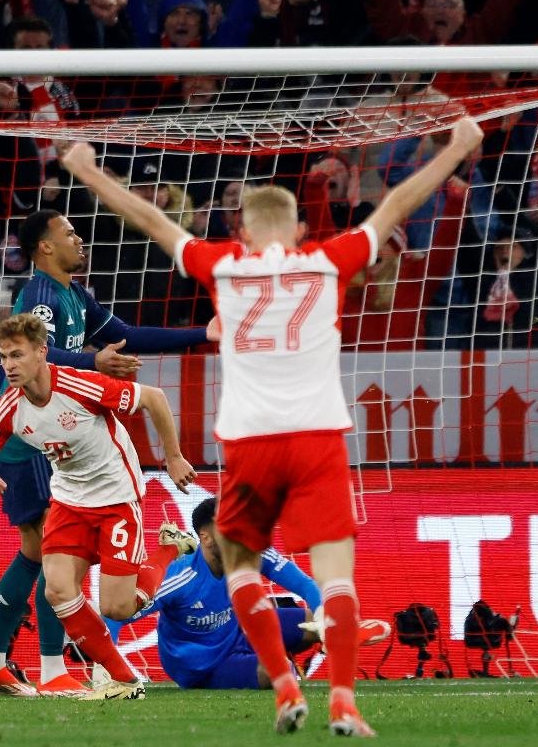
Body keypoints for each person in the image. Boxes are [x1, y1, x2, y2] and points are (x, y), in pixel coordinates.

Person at [60, 116, 484, 736]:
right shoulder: (327, 259)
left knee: (240, 570)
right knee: (335, 578)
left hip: (251, 441)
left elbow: (151, 220)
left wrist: (87, 170)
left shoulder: (224, 265)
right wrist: (460, 147)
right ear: (301, 229)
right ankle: (343, 703)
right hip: (317, 439)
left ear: (242, 230)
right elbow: (397, 203)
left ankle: (285, 686)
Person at [0, 208, 217, 698]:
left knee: (36, 553)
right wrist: (93, 361)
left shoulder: (75, 294)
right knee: (46, 556)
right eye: (69, 232)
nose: (79, 239)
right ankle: (49, 668)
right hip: (27, 439)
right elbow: (43, 357)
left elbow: (129, 336)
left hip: (55, 440)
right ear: (44, 246)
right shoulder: (40, 295)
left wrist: (203, 335)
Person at [105, 497, 390, 690]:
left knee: (309, 620)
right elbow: (116, 616)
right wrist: (110, 670)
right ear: (206, 537)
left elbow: (305, 585)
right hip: (200, 665)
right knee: (278, 674)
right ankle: (271, 661)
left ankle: (327, 637)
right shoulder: (179, 579)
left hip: (240, 630)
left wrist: (323, 614)